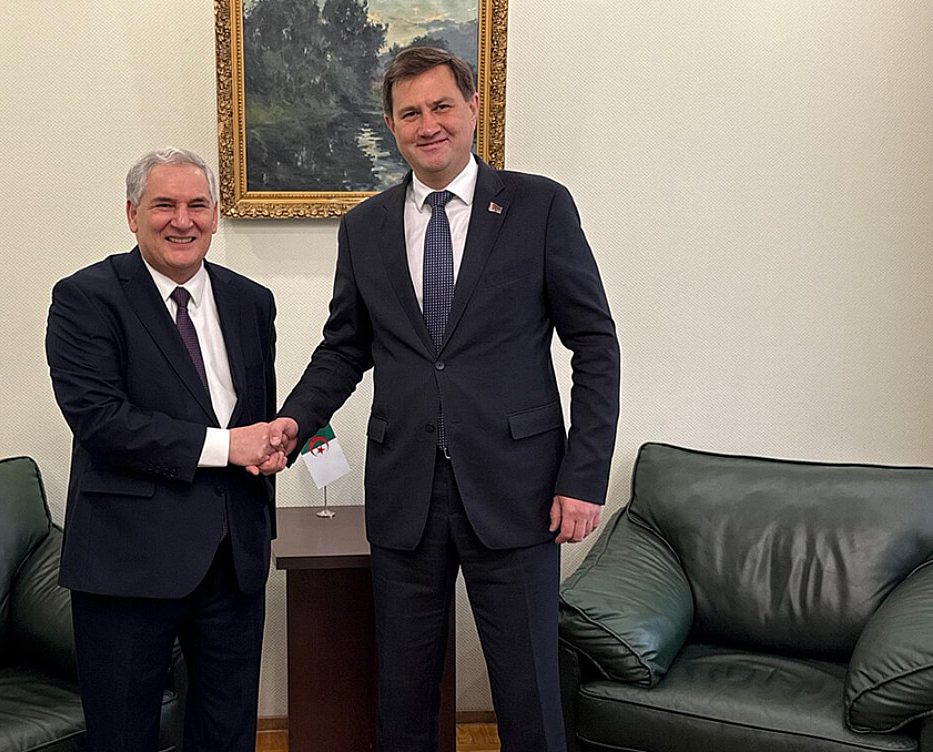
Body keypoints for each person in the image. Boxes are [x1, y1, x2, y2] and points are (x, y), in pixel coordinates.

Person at [267, 47, 620, 751]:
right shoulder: (364, 226)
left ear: (473, 109)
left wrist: (583, 477)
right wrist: (294, 420)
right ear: (392, 126)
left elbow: (596, 345)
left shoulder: (539, 205)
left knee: (529, 693)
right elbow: (344, 347)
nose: (428, 124)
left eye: (441, 106)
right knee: (402, 696)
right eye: (410, 113)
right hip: (406, 492)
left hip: (519, 489)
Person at [45, 147, 284, 752]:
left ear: (215, 215)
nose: (183, 220)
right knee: (123, 736)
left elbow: (252, 416)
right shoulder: (85, 297)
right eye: (164, 205)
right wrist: (228, 446)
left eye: (198, 205)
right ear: (132, 214)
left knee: (228, 733)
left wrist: (267, 450)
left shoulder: (251, 301)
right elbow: (101, 421)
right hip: (129, 561)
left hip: (234, 559)